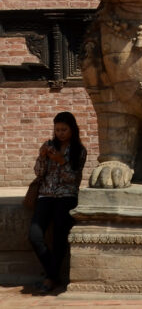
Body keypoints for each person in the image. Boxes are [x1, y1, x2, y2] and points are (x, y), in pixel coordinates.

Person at [28, 111, 87, 293]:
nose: (60, 133)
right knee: (34, 236)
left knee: (60, 238)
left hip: (66, 196)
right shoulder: (49, 145)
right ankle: (53, 275)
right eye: (57, 130)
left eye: (64, 129)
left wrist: (61, 161)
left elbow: (74, 179)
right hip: (45, 195)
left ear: (72, 130)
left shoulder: (79, 150)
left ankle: (49, 280)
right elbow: (38, 172)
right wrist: (42, 156)